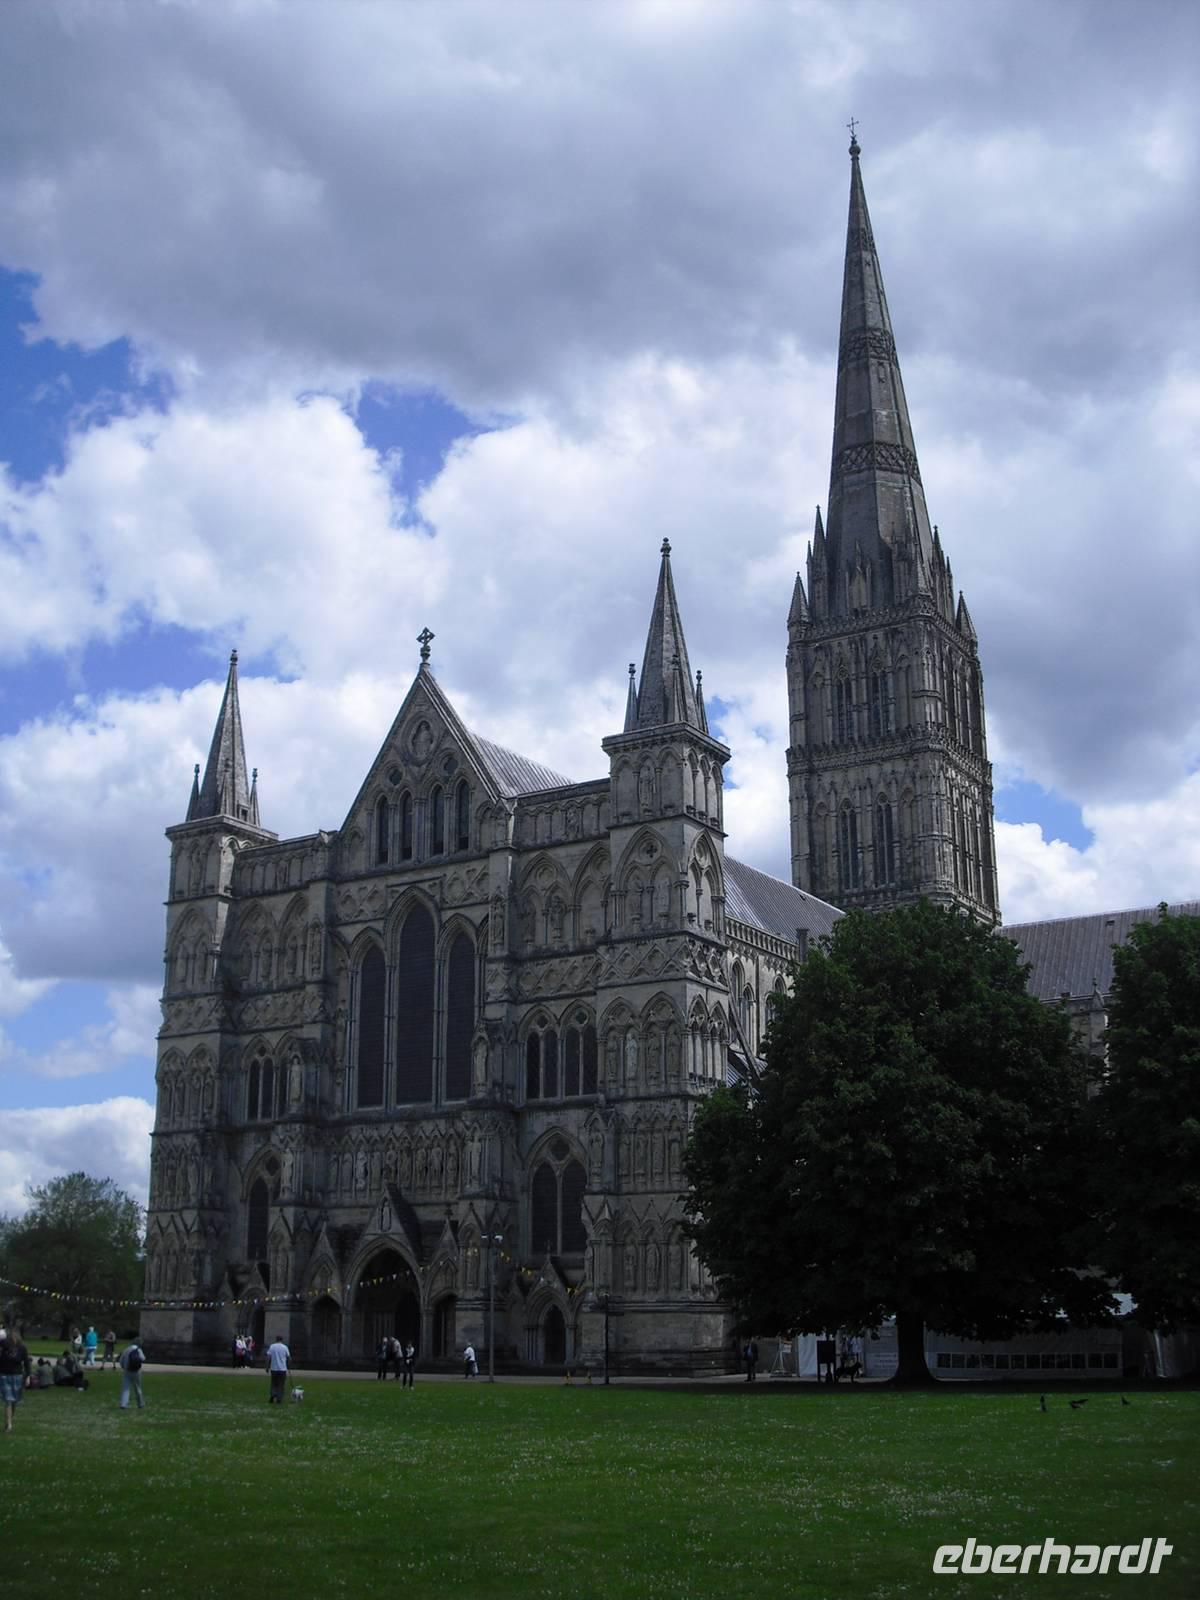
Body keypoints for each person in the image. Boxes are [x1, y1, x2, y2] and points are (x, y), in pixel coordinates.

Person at [0, 1327, 32, 1433]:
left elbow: (27, 1363)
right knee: (8, 1400)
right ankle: (9, 1425)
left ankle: (9, 1419)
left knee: (14, 1401)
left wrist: (28, 1376)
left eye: (14, 1337)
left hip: (17, 1376)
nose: (12, 1339)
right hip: (5, 1376)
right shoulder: (3, 1346)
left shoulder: (22, 1348)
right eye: (11, 1337)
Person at [118, 1338, 146, 1410]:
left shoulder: (126, 1349)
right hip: (136, 1371)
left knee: (125, 1388)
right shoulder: (138, 1350)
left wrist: (124, 1367)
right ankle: (140, 1403)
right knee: (138, 1388)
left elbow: (121, 1360)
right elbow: (143, 1358)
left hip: (127, 1370)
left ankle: (123, 1404)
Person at [266, 1335, 291, 1403]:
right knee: (281, 1384)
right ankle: (279, 1398)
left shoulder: (272, 1346)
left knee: (273, 1383)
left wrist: (267, 1367)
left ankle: (273, 1394)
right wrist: (288, 1365)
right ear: (282, 1340)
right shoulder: (285, 1347)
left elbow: (268, 1357)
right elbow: (289, 1358)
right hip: (282, 1369)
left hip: (274, 1368)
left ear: (276, 1339)